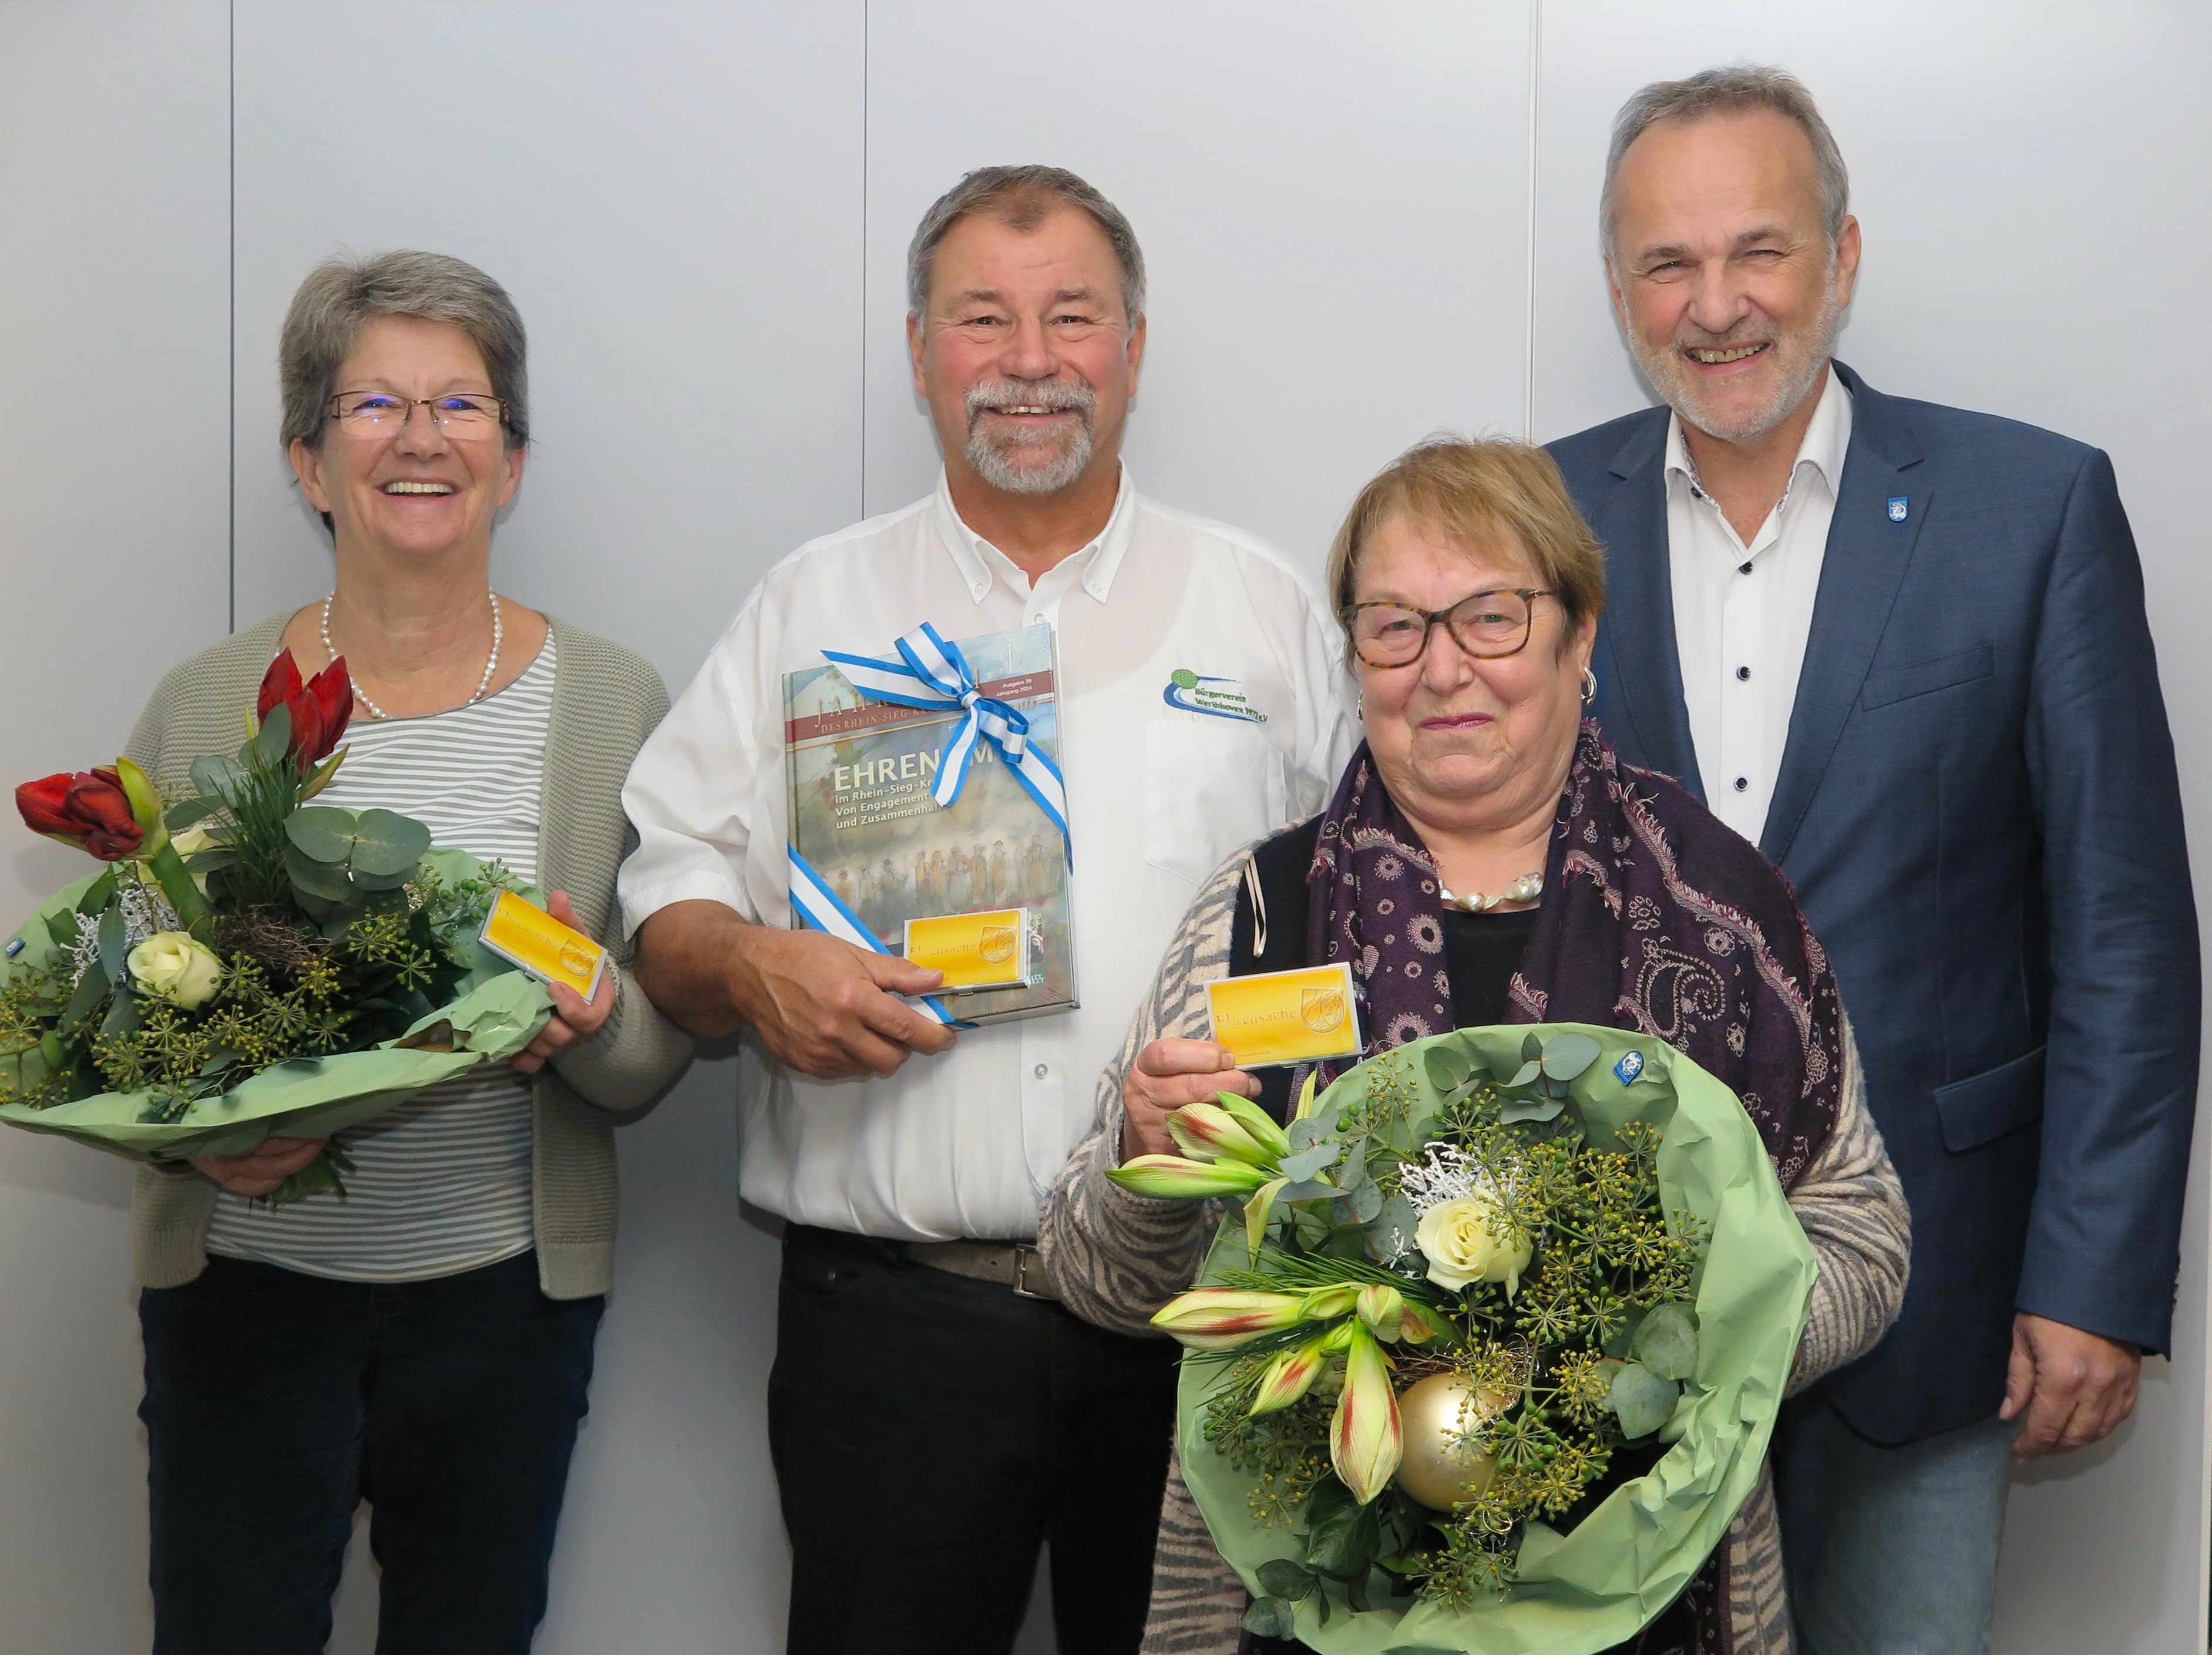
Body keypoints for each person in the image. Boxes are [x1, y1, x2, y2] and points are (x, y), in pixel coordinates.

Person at [618, 166, 1357, 1655]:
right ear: (918, 352)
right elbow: (665, 884)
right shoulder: (809, 604)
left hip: (1198, 1319)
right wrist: (750, 965)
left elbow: (1366, 920)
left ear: (1133, 346)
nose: (1029, 361)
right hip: (892, 1336)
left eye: (1071, 316)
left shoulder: (1261, 610)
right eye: (981, 318)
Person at [1038, 436, 1911, 1654]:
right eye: (1394, 626)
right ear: (1355, 656)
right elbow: (1102, 1283)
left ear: (1578, 635)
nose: (1441, 667)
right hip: (1306, 1599)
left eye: (1492, 617)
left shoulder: (1719, 915)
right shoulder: (1257, 914)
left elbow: (1862, 1229)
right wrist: (1143, 1170)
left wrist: (1659, 1362)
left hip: (1657, 1589)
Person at [1547, 66, 2199, 1655]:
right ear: (1617, 289)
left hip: (1934, 1294)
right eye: (1664, 263)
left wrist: (2092, 1277)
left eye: (1756, 250)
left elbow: (2119, 927)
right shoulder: (1534, 517)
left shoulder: (2028, 507)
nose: (1713, 305)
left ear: (1839, 257)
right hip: (1601, 1321)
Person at [122, 251, 692, 1653]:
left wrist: (599, 1014)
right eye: (374, 403)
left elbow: (648, 1061)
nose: (421, 438)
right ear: (307, 461)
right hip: (243, 1301)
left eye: (462, 404)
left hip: (500, 1308)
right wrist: (192, 1139)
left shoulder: (613, 702)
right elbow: (127, 1016)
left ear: (512, 460)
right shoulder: (203, 704)